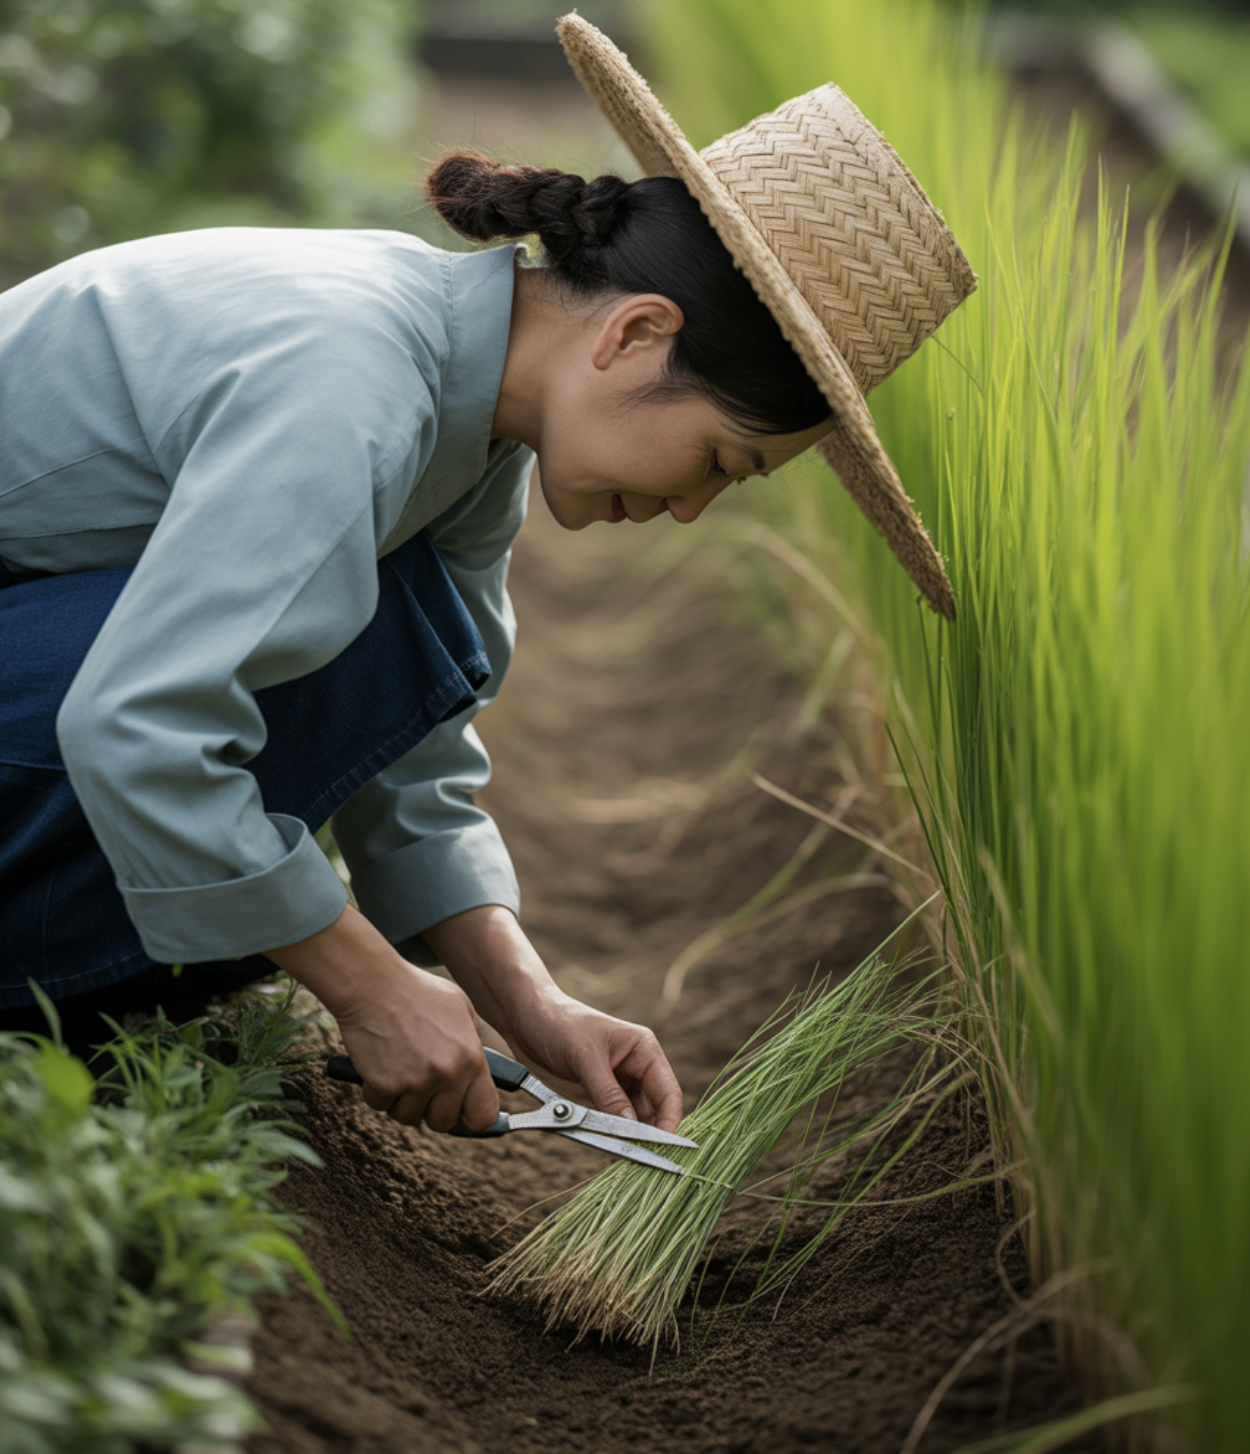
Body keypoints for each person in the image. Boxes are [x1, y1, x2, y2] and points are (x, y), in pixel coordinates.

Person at [0, 17, 974, 1137]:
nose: (691, 508)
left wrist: (530, 1001)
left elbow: (410, 751)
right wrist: (364, 984)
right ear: (634, 334)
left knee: (387, 637)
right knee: (337, 660)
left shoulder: (468, 425)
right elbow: (139, 722)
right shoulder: (352, 388)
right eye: (717, 461)